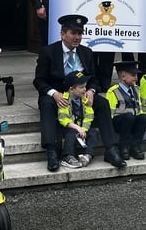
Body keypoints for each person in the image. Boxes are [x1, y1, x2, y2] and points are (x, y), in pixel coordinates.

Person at [33, 14, 127, 171]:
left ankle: (111, 149)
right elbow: (39, 80)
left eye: (80, 33)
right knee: (46, 103)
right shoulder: (48, 52)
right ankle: (52, 151)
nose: (77, 37)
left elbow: (94, 79)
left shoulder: (86, 52)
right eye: (73, 33)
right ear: (63, 34)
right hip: (59, 95)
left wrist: (91, 90)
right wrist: (54, 93)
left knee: (102, 102)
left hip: (81, 95)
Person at [105, 60, 146, 160]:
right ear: (123, 76)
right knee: (129, 117)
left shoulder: (137, 89)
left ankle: (135, 146)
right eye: (133, 75)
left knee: (144, 118)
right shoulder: (113, 92)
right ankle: (123, 147)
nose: (136, 77)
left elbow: (140, 107)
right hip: (119, 122)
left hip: (133, 120)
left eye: (136, 75)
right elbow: (110, 113)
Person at [58, 71, 100, 168]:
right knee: (71, 133)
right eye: (81, 87)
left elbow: (89, 116)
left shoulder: (85, 99)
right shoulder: (64, 99)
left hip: (82, 128)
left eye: (85, 86)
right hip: (69, 127)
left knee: (94, 132)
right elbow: (63, 119)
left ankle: (88, 155)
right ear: (72, 89)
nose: (85, 89)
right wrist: (77, 128)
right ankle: (68, 156)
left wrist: (84, 129)